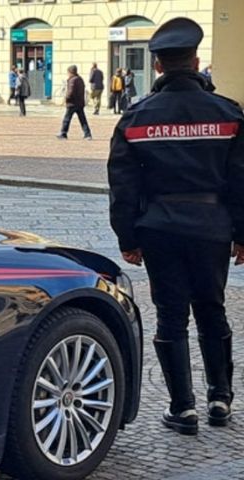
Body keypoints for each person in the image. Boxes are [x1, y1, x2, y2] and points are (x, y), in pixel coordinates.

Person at [108, 17, 244, 436]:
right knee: (212, 308)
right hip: (213, 227)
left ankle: (182, 408)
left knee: (170, 315)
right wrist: (242, 233)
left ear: (159, 66)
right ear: (196, 60)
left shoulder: (136, 118)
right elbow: (241, 180)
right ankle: (220, 399)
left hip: (160, 229)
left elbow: (122, 185)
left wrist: (127, 238)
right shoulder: (229, 114)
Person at [56, 65, 92, 140]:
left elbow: (70, 92)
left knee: (67, 119)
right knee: (82, 119)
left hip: (72, 103)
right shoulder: (80, 79)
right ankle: (87, 134)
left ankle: (63, 133)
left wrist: (66, 98)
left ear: (70, 72)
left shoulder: (72, 80)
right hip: (80, 103)